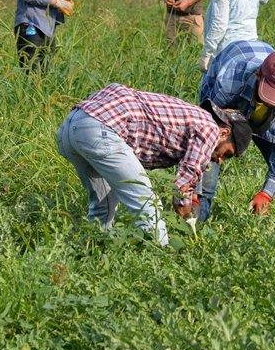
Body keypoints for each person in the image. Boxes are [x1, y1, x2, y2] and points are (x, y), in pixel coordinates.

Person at [55, 83, 252, 245]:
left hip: (71, 127)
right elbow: (183, 184)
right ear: (224, 133)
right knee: (147, 203)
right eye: (227, 153)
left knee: (103, 205)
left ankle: (92, 254)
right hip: (102, 130)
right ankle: (161, 260)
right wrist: (187, 219)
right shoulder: (210, 128)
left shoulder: (193, 116)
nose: (219, 160)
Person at [196, 40, 275, 221]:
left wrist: (267, 193)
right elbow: (205, 131)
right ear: (259, 73)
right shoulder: (231, 77)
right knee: (207, 179)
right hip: (229, 104)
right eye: (270, 93)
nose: (271, 102)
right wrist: (194, 186)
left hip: (265, 120)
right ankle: (193, 230)